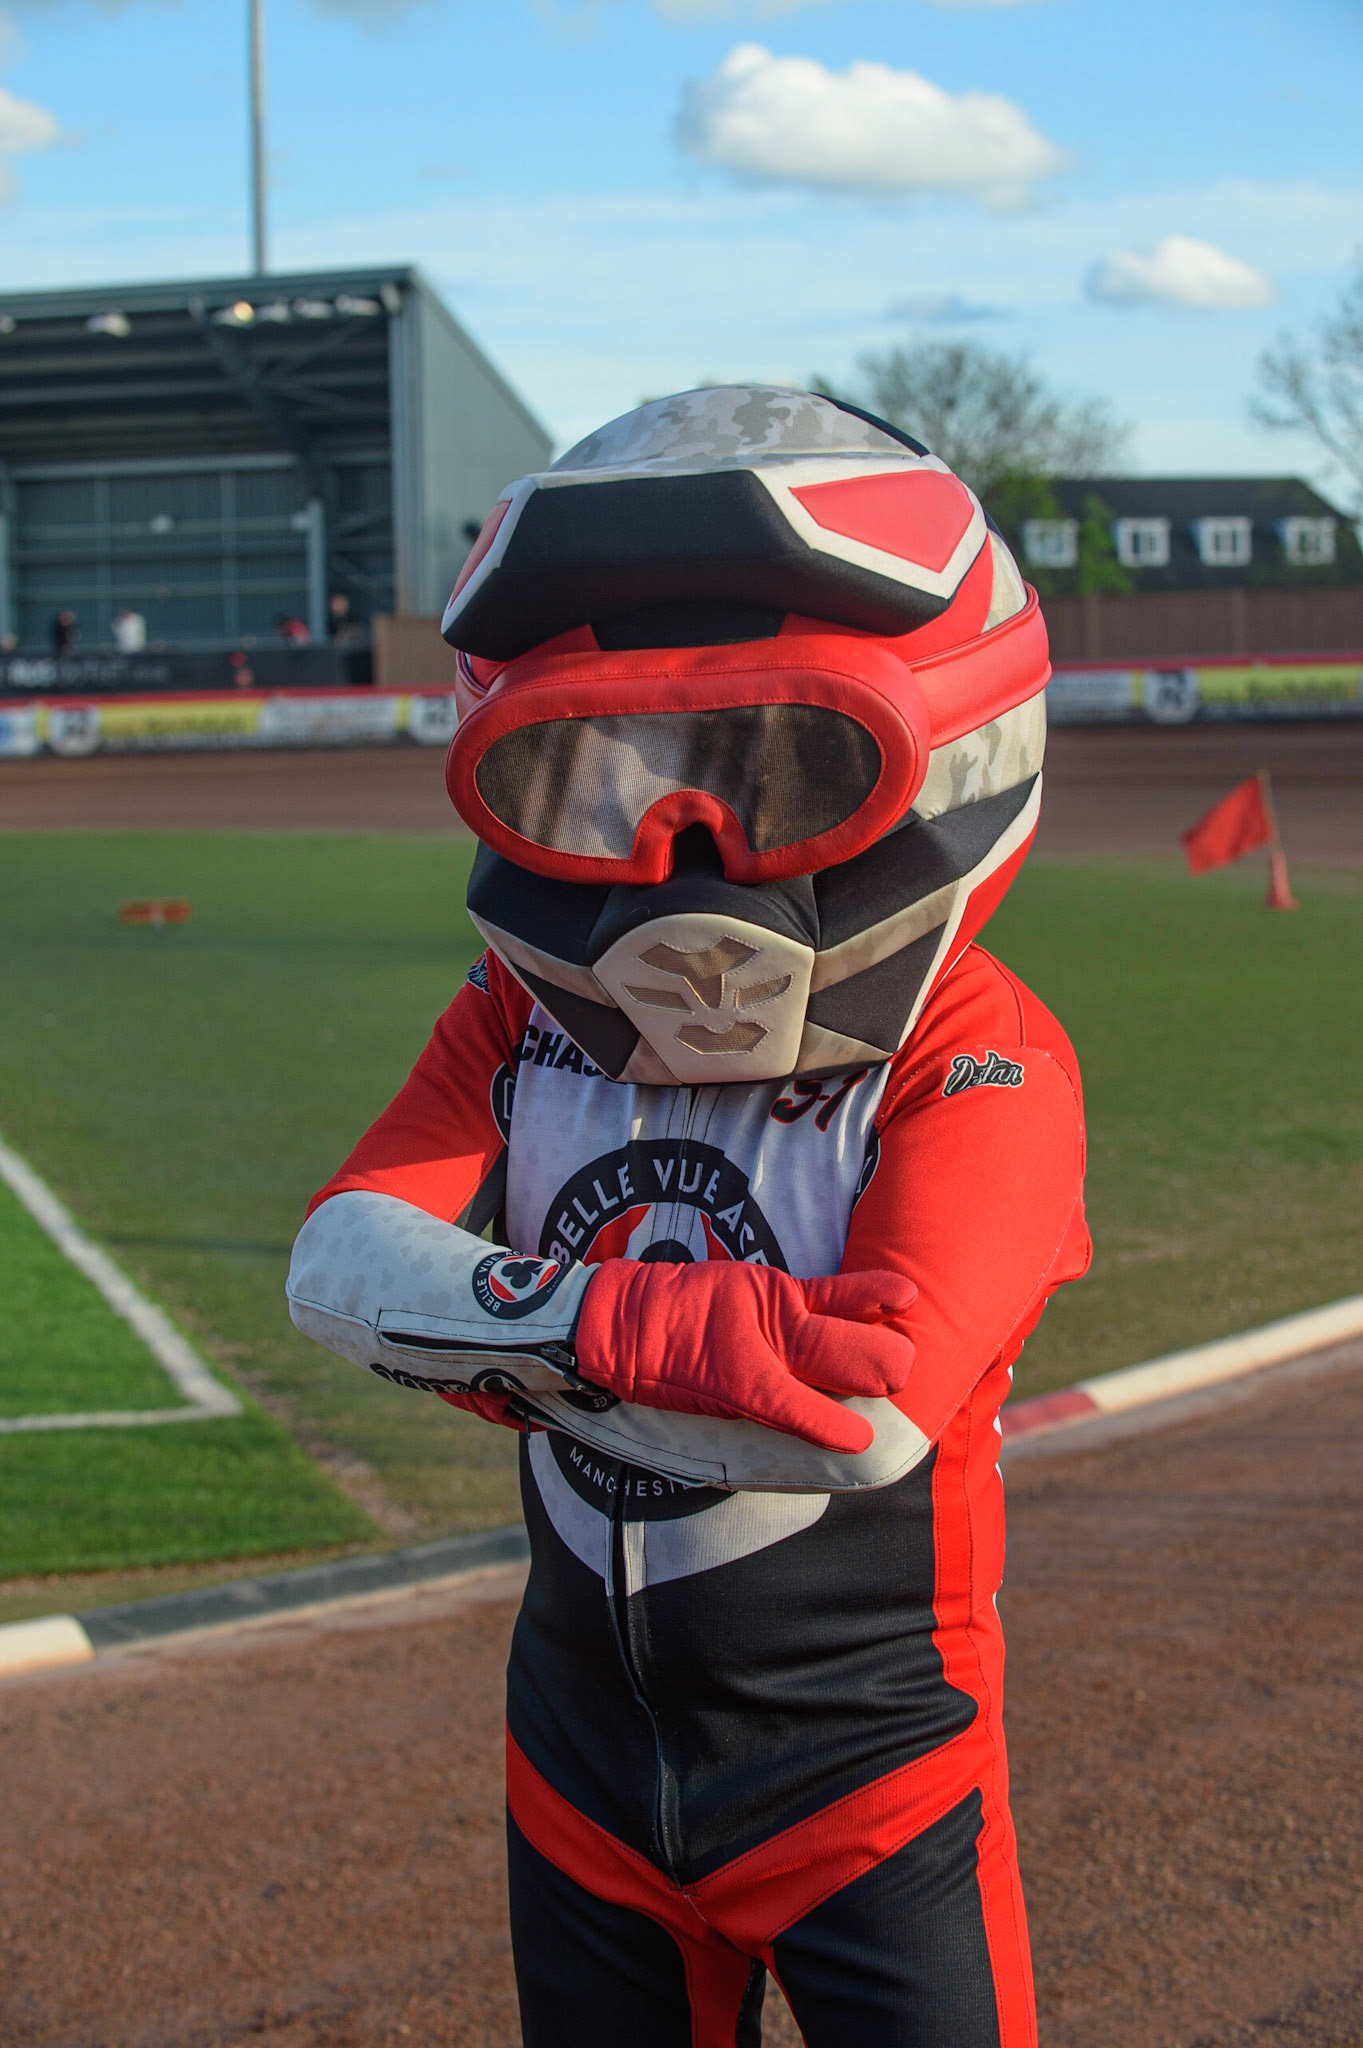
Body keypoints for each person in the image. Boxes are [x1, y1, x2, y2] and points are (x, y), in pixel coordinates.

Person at [287, 387, 1089, 2046]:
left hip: (872, 1781)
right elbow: (338, 1264)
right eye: (603, 772)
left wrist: (503, 1328)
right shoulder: (519, 1016)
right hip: (575, 1772)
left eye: (787, 762)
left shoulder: (979, 1049)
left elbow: (863, 1405)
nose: (687, 847)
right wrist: (648, 1345)